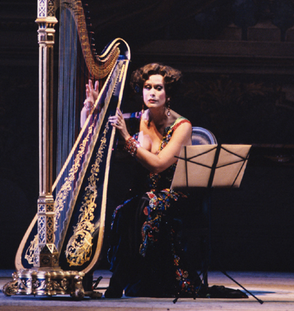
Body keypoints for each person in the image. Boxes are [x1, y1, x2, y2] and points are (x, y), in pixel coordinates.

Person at [82, 62, 203, 298]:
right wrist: (93, 112)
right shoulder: (139, 118)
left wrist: (126, 136)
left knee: (148, 205)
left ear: (169, 94)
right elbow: (95, 145)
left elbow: (157, 166)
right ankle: (124, 278)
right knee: (125, 209)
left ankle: (133, 280)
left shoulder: (182, 126)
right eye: (148, 87)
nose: (152, 92)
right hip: (144, 195)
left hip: (175, 193)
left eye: (159, 88)